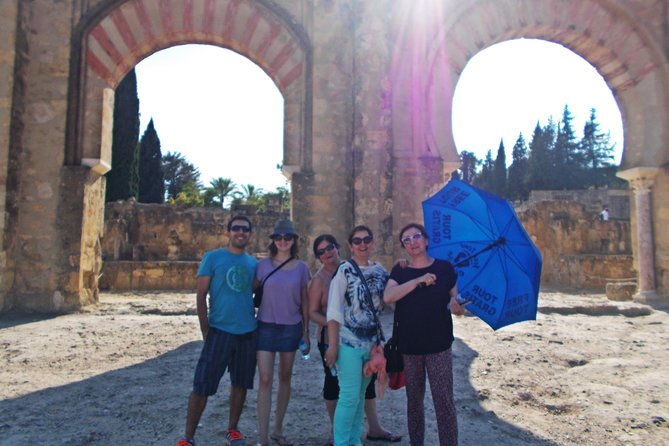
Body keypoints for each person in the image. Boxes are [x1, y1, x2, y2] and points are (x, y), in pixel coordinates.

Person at [308, 234, 401, 446]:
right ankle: (341, 440)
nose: (327, 253)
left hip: (368, 342)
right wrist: (336, 335)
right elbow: (321, 312)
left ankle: (353, 439)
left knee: (358, 395)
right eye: (321, 251)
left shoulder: (373, 270)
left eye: (330, 247)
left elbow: (389, 293)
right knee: (346, 394)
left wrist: (403, 268)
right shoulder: (326, 278)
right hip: (340, 341)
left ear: (338, 247)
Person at [176, 215, 258, 446]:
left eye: (245, 229)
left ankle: (233, 429)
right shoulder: (212, 258)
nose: (240, 232)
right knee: (202, 384)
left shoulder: (253, 264)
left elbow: (253, 292)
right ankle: (188, 437)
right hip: (219, 330)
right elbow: (201, 295)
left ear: (250, 234)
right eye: (236, 228)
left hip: (247, 331)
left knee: (241, 384)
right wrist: (206, 330)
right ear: (228, 232)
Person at [383, 223, 465, 446]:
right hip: (410, 346)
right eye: (406, 239)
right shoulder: (400, 270)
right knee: (414, 403)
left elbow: (454, 300)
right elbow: (388, 297)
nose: (412, 242)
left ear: (426, 240)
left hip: (439, 345)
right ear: (403, 247)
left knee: (444, 402)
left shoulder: (445, 269)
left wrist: (458, 306)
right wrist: (416, 280)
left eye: (416, 236)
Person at [255, 220, 311, 446]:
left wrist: (306, 331)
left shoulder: (301, 268)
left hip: (291, 327)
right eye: (279, 237)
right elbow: (248, 290)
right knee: (265, 379)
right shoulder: (262, 265)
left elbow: (306, 302)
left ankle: (278, 428)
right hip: (265, 326)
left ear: (294, 240)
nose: (283, 241)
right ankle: (263, 437)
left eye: (287, 237)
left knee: (285, 377)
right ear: (273, 241)